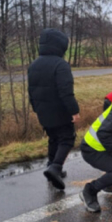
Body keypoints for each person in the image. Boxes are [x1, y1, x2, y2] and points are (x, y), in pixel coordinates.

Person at [28, 28, 80, 190]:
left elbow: (31, 90)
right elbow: (66, 91)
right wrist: (74, 110)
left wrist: (36, 108)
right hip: (60, 110)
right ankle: (56, 167)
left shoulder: (34, 64)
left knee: (53, 138)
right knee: (67, 138)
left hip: (42, 109)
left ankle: (52, 166)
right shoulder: (61, 65)